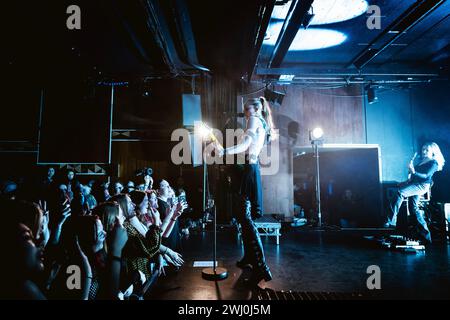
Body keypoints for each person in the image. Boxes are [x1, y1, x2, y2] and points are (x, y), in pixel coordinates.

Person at [215, 96, 276, 286]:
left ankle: (261, 267)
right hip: (250, 168)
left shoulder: (254, 120)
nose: (246, 113)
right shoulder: (262, 122)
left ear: (256, 110)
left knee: (246, 218)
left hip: (249, 169)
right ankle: (250, 257)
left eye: (248, 110)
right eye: (245, 111)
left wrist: (224, 151)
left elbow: (245, 145)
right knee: (244, 216)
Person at [385, 142, 445, 243]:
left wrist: (414, 171)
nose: (424, 151)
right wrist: (405, 182)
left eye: (427, 150)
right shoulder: (421, 161)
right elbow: (413, 178)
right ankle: (426, 237)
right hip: (415, 184)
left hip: (422, 185)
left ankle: (390, 221)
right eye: (423, 149)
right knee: (413, 209)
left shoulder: (434, 163)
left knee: (399, 193)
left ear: (433, 151)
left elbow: (426, 176)